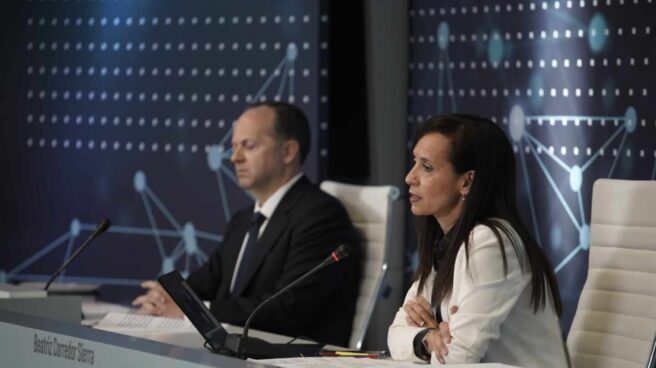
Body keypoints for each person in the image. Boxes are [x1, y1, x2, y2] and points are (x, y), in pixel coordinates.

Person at [132, 101, 360, 347]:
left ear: (288, 152)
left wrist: (195, 311)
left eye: (248, 146)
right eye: (233, 147)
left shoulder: (321, 215)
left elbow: (286, 308)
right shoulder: (242, 221)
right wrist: (168, 298)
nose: (234, 157)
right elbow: (204, 282)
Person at [388, 114, 568, 367]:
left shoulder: (492, 241)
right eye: (414, 162)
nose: (410, 177)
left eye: (426, 167)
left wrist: (434, 337)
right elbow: (395, 334)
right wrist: (428, 338)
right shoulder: (445, 240)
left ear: (467, 181)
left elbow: (456, 358)